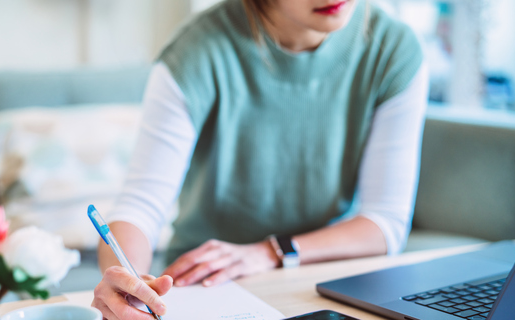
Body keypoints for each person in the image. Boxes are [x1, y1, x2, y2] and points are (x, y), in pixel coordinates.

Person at [92, 0, 428, 319]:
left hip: (329, 276)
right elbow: (141, 204)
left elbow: (385, 222)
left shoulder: (393, 49)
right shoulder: (197, 50)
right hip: (207, 283)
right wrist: (125, 281)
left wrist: (271, 252)